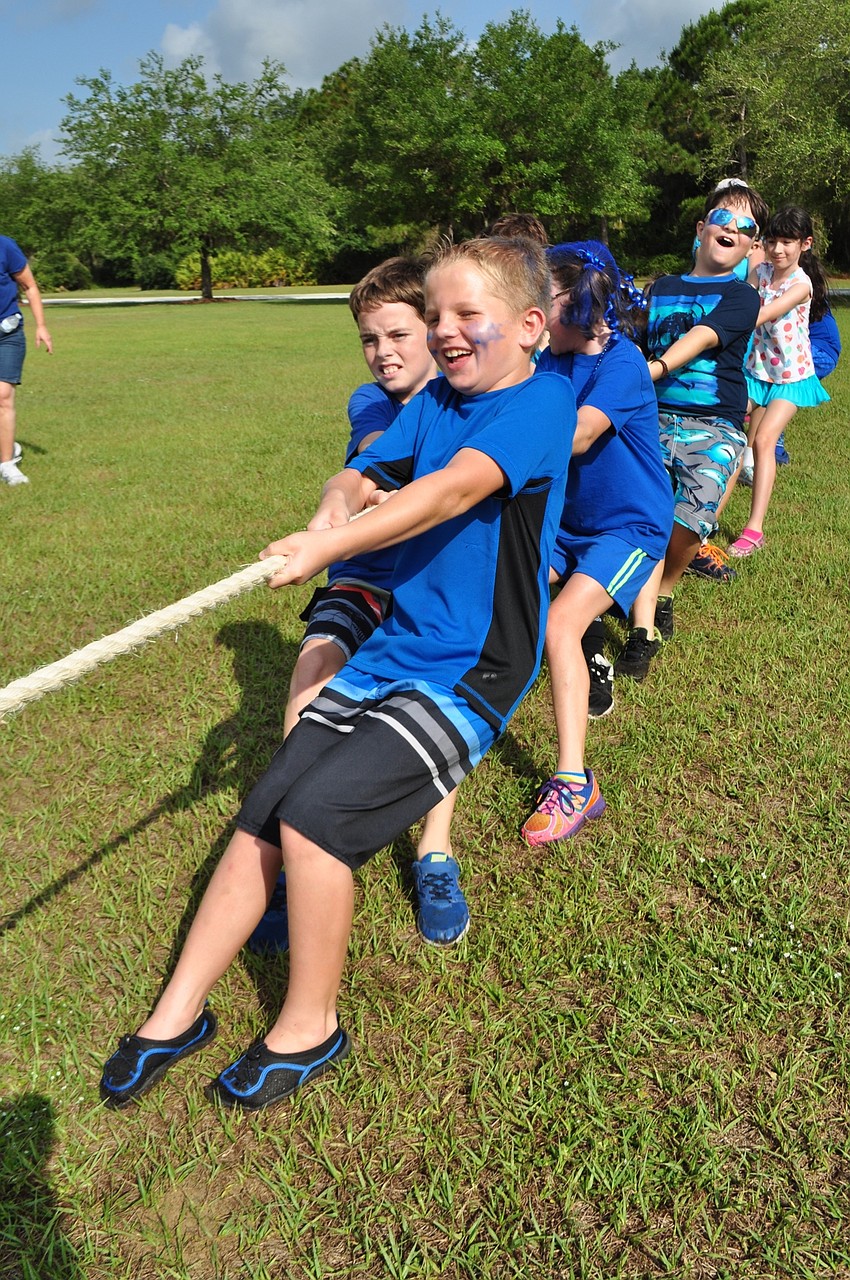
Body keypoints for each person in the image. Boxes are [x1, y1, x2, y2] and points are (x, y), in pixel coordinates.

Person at [99, 236, 575, 1114]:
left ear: (531, 325)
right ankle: (177, 1013)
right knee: (265, 816)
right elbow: (369, 469)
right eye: (436, 316)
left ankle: (309, 1026)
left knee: (318, 824)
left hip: (469, 672)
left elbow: (446, 494)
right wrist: (336, 497)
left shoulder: (542, 403)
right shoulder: (433, 399)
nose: (446, 333)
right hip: (397, 648)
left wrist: (326, 545)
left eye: (468, 316)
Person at [249, 257, 470, 952]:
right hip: (365, 571)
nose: (383, 354)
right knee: (313, 668)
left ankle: (434, 852)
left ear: (433, 332)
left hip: (435, 584)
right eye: (370, 340)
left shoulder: (471, 404)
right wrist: (332, 512)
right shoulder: (371, 403)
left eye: (398, 335)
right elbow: (365, 460)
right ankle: (288, 848)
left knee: (433, 701)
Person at [520, 242, 672, 844]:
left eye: (541, 305)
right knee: (505, 593)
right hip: (564, 526)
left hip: (628, 527)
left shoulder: (623, 363)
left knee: (560, 626)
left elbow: (581, 435)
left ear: (578, 301)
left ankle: (574, 782)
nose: (532, 319)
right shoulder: (551, 360)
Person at [621, 182, 762, 677]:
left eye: (747, 228)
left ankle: (663, 590)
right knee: (646, 514)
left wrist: (655, 369)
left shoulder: (743, 297)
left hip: (716, 424)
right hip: (651, 419)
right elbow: (630, 337)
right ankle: (644, 628)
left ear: (750, 247)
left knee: (690, 521)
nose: (734, 229)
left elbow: (702, 337)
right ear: (702, 228)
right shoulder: (660, 288)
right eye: (725, 217)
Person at [728, 206, 830, 557]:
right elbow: (741, 296)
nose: (778, 249)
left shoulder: (801, 285)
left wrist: (724, 324)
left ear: (805, 244)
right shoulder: (761, 271)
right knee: (729, 434)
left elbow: (763, 313)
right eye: (772, 241)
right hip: (756, 371)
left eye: (787, 242)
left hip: (791, 376)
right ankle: (705, 517)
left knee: (764, 440)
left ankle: (754, 530)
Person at [0, 235, 52, 486]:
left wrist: (41, 326)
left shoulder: (5, 246)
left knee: (2, 396)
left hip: (7, 334)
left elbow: (29, 286)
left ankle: (7, 465)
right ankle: (9, 446)